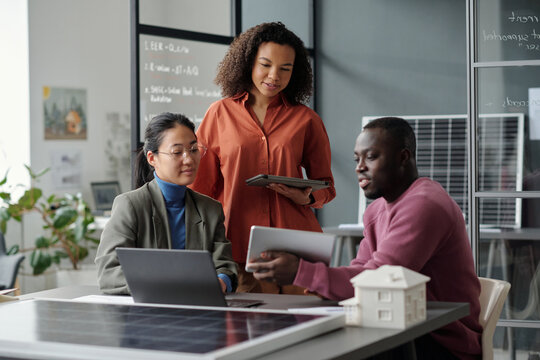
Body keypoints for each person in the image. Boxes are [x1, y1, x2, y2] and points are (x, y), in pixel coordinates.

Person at [248, 117, 483, 359]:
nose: (359, 167)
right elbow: (363, 270)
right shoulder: (377, 210)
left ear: (403, 157)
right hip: (398, 325)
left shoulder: (424, 204)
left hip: (440, 340)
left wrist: (301, 272)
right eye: (356, 159)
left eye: (370, 157)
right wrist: (317, 282)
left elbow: (378, 281)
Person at [190, 22, 336, 294]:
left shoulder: (307, 120)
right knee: (244, 333)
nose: (274, 75)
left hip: (296, 251)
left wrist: (306, 197)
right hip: (238, 249)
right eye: (265, 64)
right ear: (249, 63)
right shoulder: (218, 114)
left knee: (302, 332)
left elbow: (326, 185)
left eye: (285, 68)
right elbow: (199, 189)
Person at [95, 112, 237, 295]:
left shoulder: (210, 209)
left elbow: (225, 266)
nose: (188, 159)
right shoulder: (130, 205)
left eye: (194, 150)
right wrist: (175, 286)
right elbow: (109, 273)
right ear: (152, 158)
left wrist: (221, 282)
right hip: (145, 315)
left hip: (201, 312)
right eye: (177, 152)